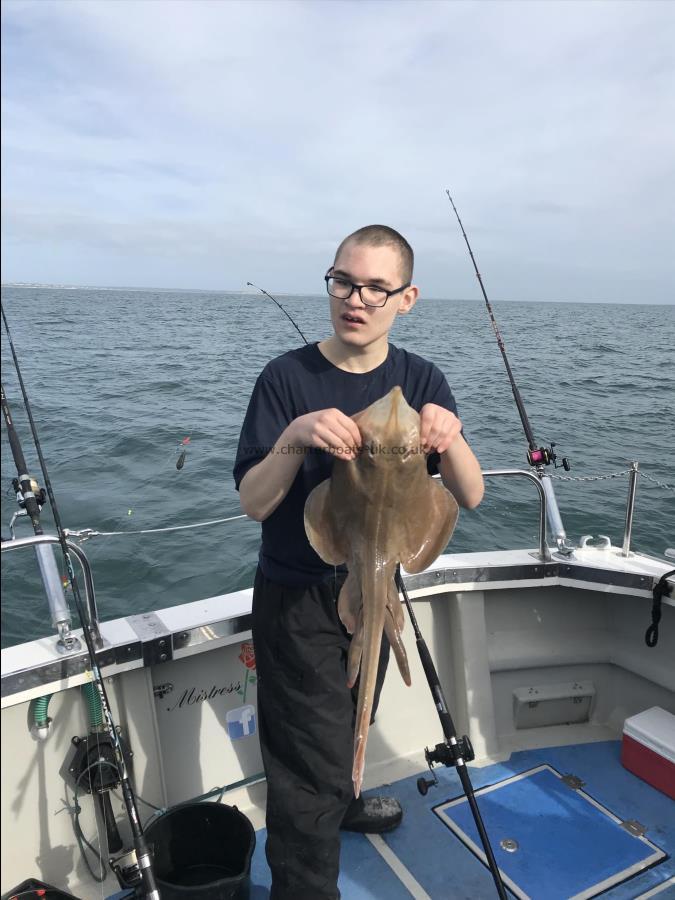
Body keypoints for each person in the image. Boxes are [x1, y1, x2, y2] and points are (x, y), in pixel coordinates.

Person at [233, 225, 484, 900]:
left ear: (406, 298)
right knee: (305, 763)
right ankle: (306, 884)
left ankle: (344, 798)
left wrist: (450, 436)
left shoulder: (421, 379)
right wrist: (293, 436)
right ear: (331, 282)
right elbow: (254, 503)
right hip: (297, 595)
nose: (356, 298)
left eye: (377, 287)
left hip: (379, 580)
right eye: (343, 280)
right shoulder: (287, 379)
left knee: (354, 711)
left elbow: (468, 492)